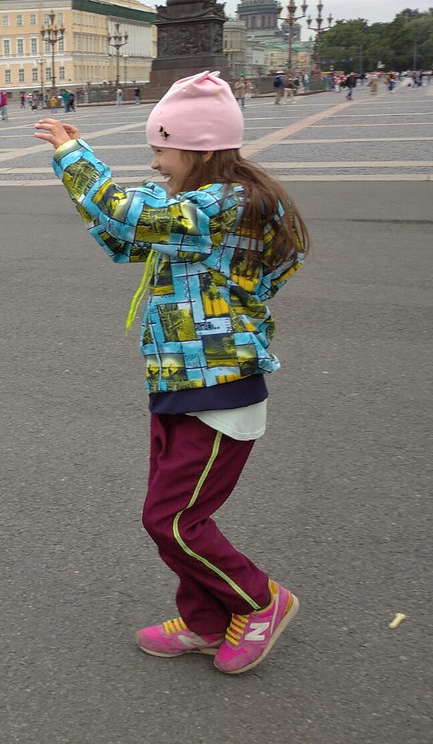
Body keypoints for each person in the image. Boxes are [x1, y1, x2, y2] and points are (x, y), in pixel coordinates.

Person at [33, 71, 308, 675]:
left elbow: (127, 213)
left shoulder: (221, 205)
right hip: (181, 382)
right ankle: (208, 620)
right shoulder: (201, 211)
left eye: (161, 149)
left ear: (199, 148)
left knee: (173, 520)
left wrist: (72, 155)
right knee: (172, 516)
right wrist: (86, 190)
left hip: (219, 388)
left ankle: (259, 601)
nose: (155, 162)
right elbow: (127, 237)